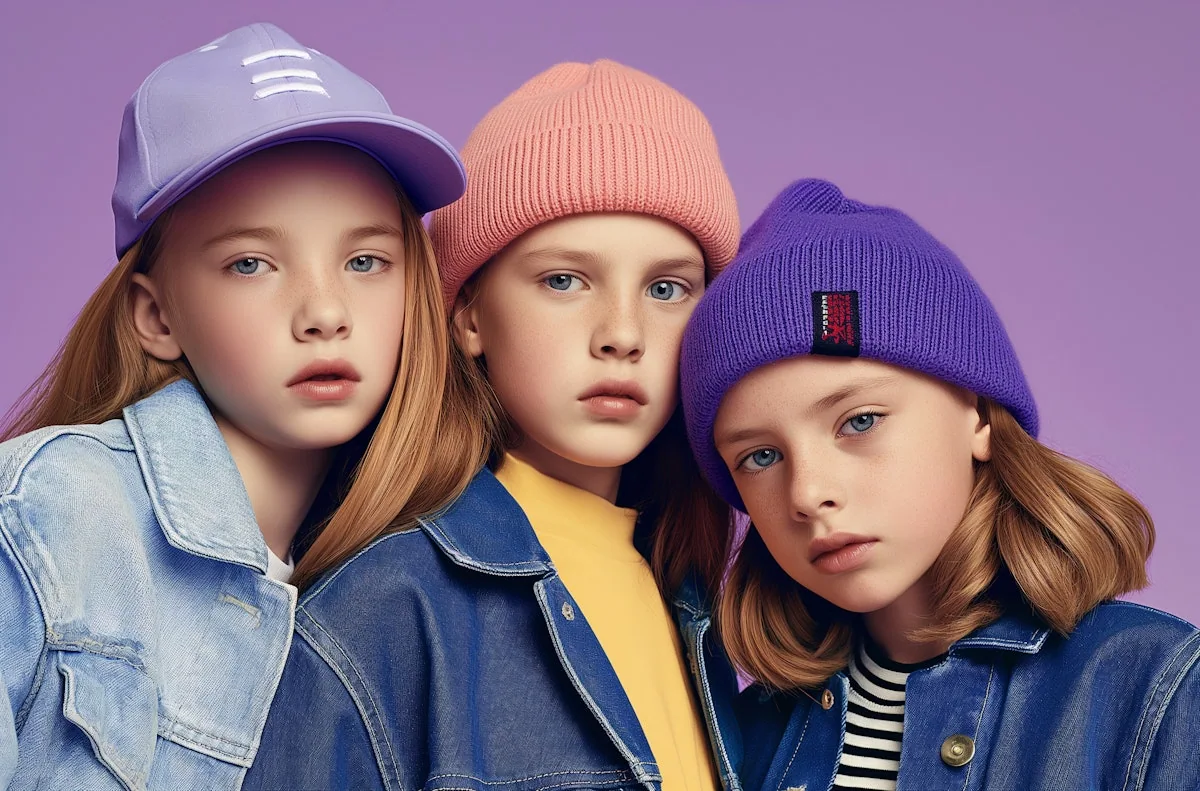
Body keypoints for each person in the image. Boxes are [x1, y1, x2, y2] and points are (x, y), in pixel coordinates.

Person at [0, 22, 489, 789]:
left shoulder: (397, 580)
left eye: (365, 260)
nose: (324, 312)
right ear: (156, 315)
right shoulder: (55, 512)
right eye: (252, 263)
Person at [246, 59, 750, 790]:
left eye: (667, 288)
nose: (622, 333)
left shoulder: (695, 604)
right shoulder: (385, 607)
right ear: (470, 316)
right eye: (564, 280)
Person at [678, 177, 1200, 791]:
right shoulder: (742, 738)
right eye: (761, 457)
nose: (808, 494)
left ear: (977, 413)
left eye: (860, 421)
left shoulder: (1157, 689)